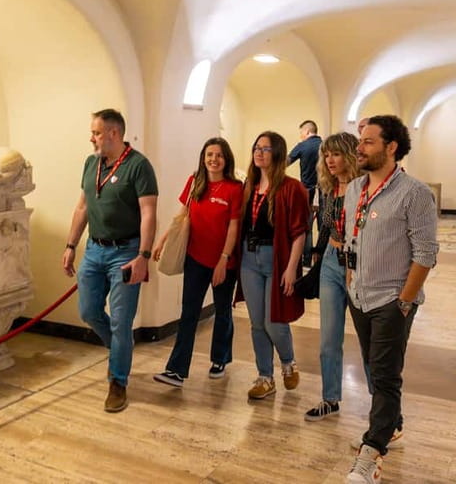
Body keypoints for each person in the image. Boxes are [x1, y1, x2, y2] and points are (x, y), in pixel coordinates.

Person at [344, 115, 438, 484]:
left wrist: (404, 301)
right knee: (373, 367)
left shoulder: (414, 193)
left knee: (384, 377)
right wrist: (351, 281)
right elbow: (354, 238)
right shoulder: (354, 189)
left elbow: (426, 252)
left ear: (391, 146)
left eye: (368, 141)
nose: (359, 148)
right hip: (360, 296)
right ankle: (392, 425)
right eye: (360, 141)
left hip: (391, 300)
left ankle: (372, 453)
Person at [62, 108, 158, 413]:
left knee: (120, 321)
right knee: (88, 311)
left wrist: (143, 256)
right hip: (94, 250)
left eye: (96, 132)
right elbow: (82, 207)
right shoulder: (92, 164)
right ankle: (120, 348)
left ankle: (118, 381)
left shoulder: (139, 166)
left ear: (113, 134)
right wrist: (70, 245)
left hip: (126, 252)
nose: (92, 138)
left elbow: (148, 213)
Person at [151, 137, 243, 387]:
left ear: (227, 159)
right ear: (203, 157)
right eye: (210, 154)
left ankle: (220, 358)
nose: (214, 159)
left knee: (222, 311)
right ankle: (177, 370)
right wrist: (163, 240)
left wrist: (223, 260)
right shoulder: (195, 182)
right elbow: (182, 216)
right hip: (195, 258)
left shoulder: (235, 188)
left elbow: (234, 228)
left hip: (224, 262)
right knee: (189, 312)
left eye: (219, 155)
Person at [238, 131, 309, 399]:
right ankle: (264, 377)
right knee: (257, 323)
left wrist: (292, 268)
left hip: (276, 260)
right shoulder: (249, 186)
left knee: (274, 321)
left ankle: (288, 362)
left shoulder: (292, 188)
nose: (259, 152)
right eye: (257, 147)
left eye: (266, 149)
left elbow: (299, 232)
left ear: (277, 153)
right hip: (249, 259)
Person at [303, 132, 360, 421]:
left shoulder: (364, 188)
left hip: (359, 265)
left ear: (349, 155)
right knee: (328, 337)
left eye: (336, 154)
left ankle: (384, 410)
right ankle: (330, 398)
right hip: (329, 262)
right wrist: (316, 252)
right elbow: (325, 224)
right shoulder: (327, 187)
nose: (330, 160)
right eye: (327, 155)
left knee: (369, 339)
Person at [288, 120, 323, 266]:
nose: (301, 136)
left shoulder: (302, 146)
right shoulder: (325, 145)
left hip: (307, 192)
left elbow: (285, 162)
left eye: (301, 133)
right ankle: (320, 260)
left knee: (306, 228)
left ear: (307, 131)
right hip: (324, 192)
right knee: (323, 227)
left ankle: (306, 260)